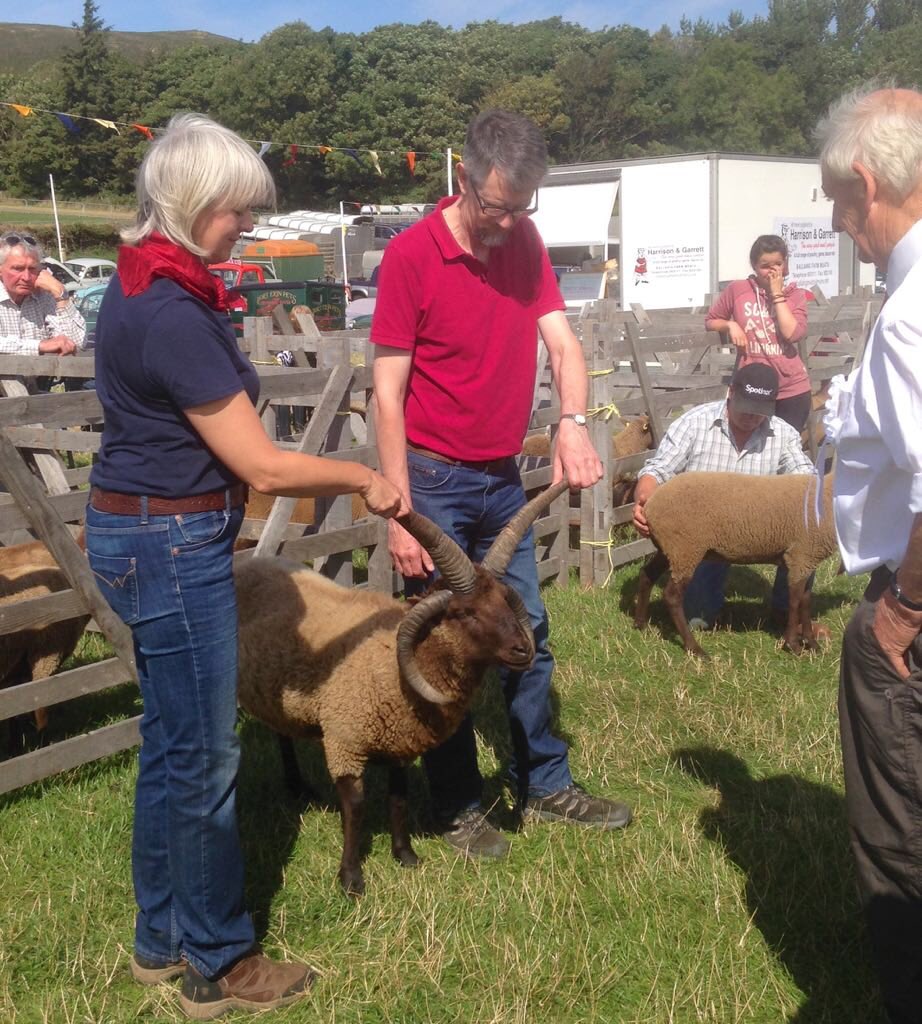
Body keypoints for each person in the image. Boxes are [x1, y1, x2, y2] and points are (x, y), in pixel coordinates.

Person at [84, 113, 405, 1020]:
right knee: (205, 762)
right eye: (235, 213)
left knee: (172, 747)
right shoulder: (174, 315)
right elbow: (261, 466)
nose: (245, 229)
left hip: (134, 531)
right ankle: (219, 963)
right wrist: (361, 475)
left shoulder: (139, 285)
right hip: (173, 544)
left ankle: (160, 939)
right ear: (193, 207)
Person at [371, 109, 632, 862]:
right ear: (463, 179)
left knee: (529, 633)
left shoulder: (525, 243)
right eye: (496, 207)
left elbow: (562, 342)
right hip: (431, 482)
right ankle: (455, 805)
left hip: (499, 480)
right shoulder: (410, 257)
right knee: (444, 648)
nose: (509, 222)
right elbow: (387, 393)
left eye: (523, 207)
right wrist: (399, 509)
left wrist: (572, 420)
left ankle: (544, 782)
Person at [817, 85, 922, 1024]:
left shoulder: (910, 310)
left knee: (902, 836)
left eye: (836, 204)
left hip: (916, 611)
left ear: (865, 183)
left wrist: (904, 609)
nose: (841, 226)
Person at [632, 363, 814, 629]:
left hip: (758, 529)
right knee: (699, 620)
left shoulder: (783, 433)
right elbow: (658, 470)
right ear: (731, 393)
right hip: (706, 533)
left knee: (809, 538)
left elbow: (804, 478)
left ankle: (789, 614)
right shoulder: (694, 423)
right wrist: (645, 500)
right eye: (746, 405)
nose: (752, 416)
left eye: (760, 410)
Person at [705, 235, 812, 431]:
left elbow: (793, 334)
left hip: (790, 387)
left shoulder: (795, 295)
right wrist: (730, 325)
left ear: (785, 264)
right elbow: (711, 320)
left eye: (777, 264)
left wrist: (777, 294)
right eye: (765, 265)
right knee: (749, 447)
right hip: (753, 387)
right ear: (754, 265)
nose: (771, 271)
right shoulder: (737, 290)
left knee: (785, 449)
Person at [0, 233, 85, 357]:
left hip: (44, 375)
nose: (26, 277)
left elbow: (76, 343)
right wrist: (40, 345)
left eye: (32, 269)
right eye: (18, 269)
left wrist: (60, 294)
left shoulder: (45, 296)